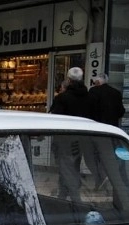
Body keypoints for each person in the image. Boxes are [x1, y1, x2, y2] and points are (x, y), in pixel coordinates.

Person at [48, 67, 89, 201]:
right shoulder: (89, 97)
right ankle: (63, 195)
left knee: (66, 168)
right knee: (73, 167)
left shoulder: (62, 98)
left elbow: (53, 117)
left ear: (69, 79)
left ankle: (75, 199)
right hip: (83, 138)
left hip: (65, 140)